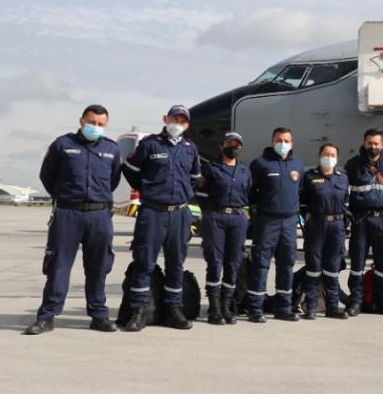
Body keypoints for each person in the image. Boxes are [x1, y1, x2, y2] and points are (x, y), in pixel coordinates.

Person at [24, 105, 123, 335]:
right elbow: (47, 176)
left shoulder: (112, 149)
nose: (95, 127)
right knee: (58, 266)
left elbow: (114, 180)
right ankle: (47, 317)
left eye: (100, 124)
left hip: (99, 215)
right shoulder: (62, 144)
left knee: (99, 267)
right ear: (81, 121)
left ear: (105, 125)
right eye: (91, 122)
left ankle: (98, 315)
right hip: (68, 214)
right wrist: (66, 198)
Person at [121, 105, 202, 331]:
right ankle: (138, 310)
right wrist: (148, 189)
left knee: (176, 263)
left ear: (187, 125)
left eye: (183, 120)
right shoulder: (150, 144)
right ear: (165, 119)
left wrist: (181, 196)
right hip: (152, 212)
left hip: (179, 213)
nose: (178, 123)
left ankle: (173, 309)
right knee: (144, 262)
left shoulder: (190, 149)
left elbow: (195, 178)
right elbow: (130, 170)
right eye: (175, 118)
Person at [344, 128, 383, 316]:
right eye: (369, 143)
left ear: (382, 145)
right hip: (361, 219)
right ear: (364, 144)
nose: (373, 147)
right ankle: (356, 301)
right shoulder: (353, 165)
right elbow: (345, 193)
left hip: (382, 220)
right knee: (357, 262)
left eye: (376, 144)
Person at [246, 127, 305, 323]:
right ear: (272, 141)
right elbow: (250, 194)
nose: (283, 143)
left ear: (292, 143)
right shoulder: (260, 164)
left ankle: (283, 307)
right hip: (267, 221)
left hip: (289, 222)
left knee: (286, 264)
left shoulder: (297, 165)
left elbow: (300, 192)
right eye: (279, 140)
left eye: (286, 140)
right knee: (260, 265)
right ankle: (255, 308)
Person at [194, 131, 251, 325]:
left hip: (237, 217)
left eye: (237, 144)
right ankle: (214, 308)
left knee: (233, 262)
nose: (233, 147)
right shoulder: (211, 169)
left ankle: (227, 306)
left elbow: (249, 194)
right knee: (215, 261)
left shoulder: (245, 171)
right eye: (229, 143)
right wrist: (208, 214)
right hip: (215, 216)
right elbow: (201, 194)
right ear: (222, 145)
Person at [298, 143, 350, 320]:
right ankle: (311, 306)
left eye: (333, 154)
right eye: (326, 154)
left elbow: (346, 202)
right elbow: (303, 203)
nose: (329, 157)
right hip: (316, 226)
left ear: (337, 158)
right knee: (313, 267)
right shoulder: (310, 176)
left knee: (333, 268)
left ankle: (332, 307)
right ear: (319, 156)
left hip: (337, 226)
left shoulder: (342, 177)